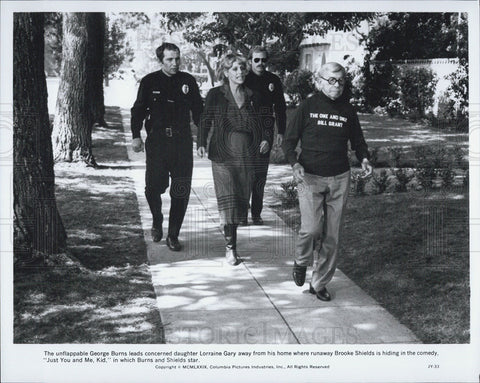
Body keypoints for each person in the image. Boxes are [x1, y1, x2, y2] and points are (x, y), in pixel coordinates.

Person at [282, 62, 373, 301]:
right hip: (310, 177)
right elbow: (288, 142)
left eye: (341, 80)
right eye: (331, 80)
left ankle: (319, 283)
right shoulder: (307, 106)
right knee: (311, 229)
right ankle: (302, 260)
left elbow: (358, 141)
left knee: (333, 235)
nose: (337, 85)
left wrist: (364, 158)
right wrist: (295, 164)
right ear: (319, 81)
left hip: (339, 177)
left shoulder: (348, 110)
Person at [197, 53, 272, 265]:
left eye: (242, 68)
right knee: (228, 197)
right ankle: (231, 248)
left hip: (247, 153)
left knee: (240, 198)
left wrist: (266, 138)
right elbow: (205, 119)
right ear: (226, 72)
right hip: (222, 154)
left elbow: (266, 120)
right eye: (235, 69)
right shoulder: (215, 94)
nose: (240, 73)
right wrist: (201, 142)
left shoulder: (254, 95)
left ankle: (232, 235)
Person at [131, 43, 203, 251]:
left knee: (181, 190)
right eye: (170, 59)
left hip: (181, 143)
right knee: (153, 187)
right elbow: (138, 110)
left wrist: (204, 138)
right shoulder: (149, 81)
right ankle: (157, 218)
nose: (175, 63)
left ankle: (173, 235)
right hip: (158, 143)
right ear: (161, 61)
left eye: (177, 58)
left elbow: (199, 111)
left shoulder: (188, 81)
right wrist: (136, 136)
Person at [243, 46, 287, 225]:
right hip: (245, 131)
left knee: (260, 175)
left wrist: (280, 132)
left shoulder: (273, 80)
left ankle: (256, 214)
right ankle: (241, 213)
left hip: (265, 130)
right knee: (245, 174)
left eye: (263, 60)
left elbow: (280, 108)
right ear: (250, 61)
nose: (260, 63)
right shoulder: (243, 78)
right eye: (256, 60)